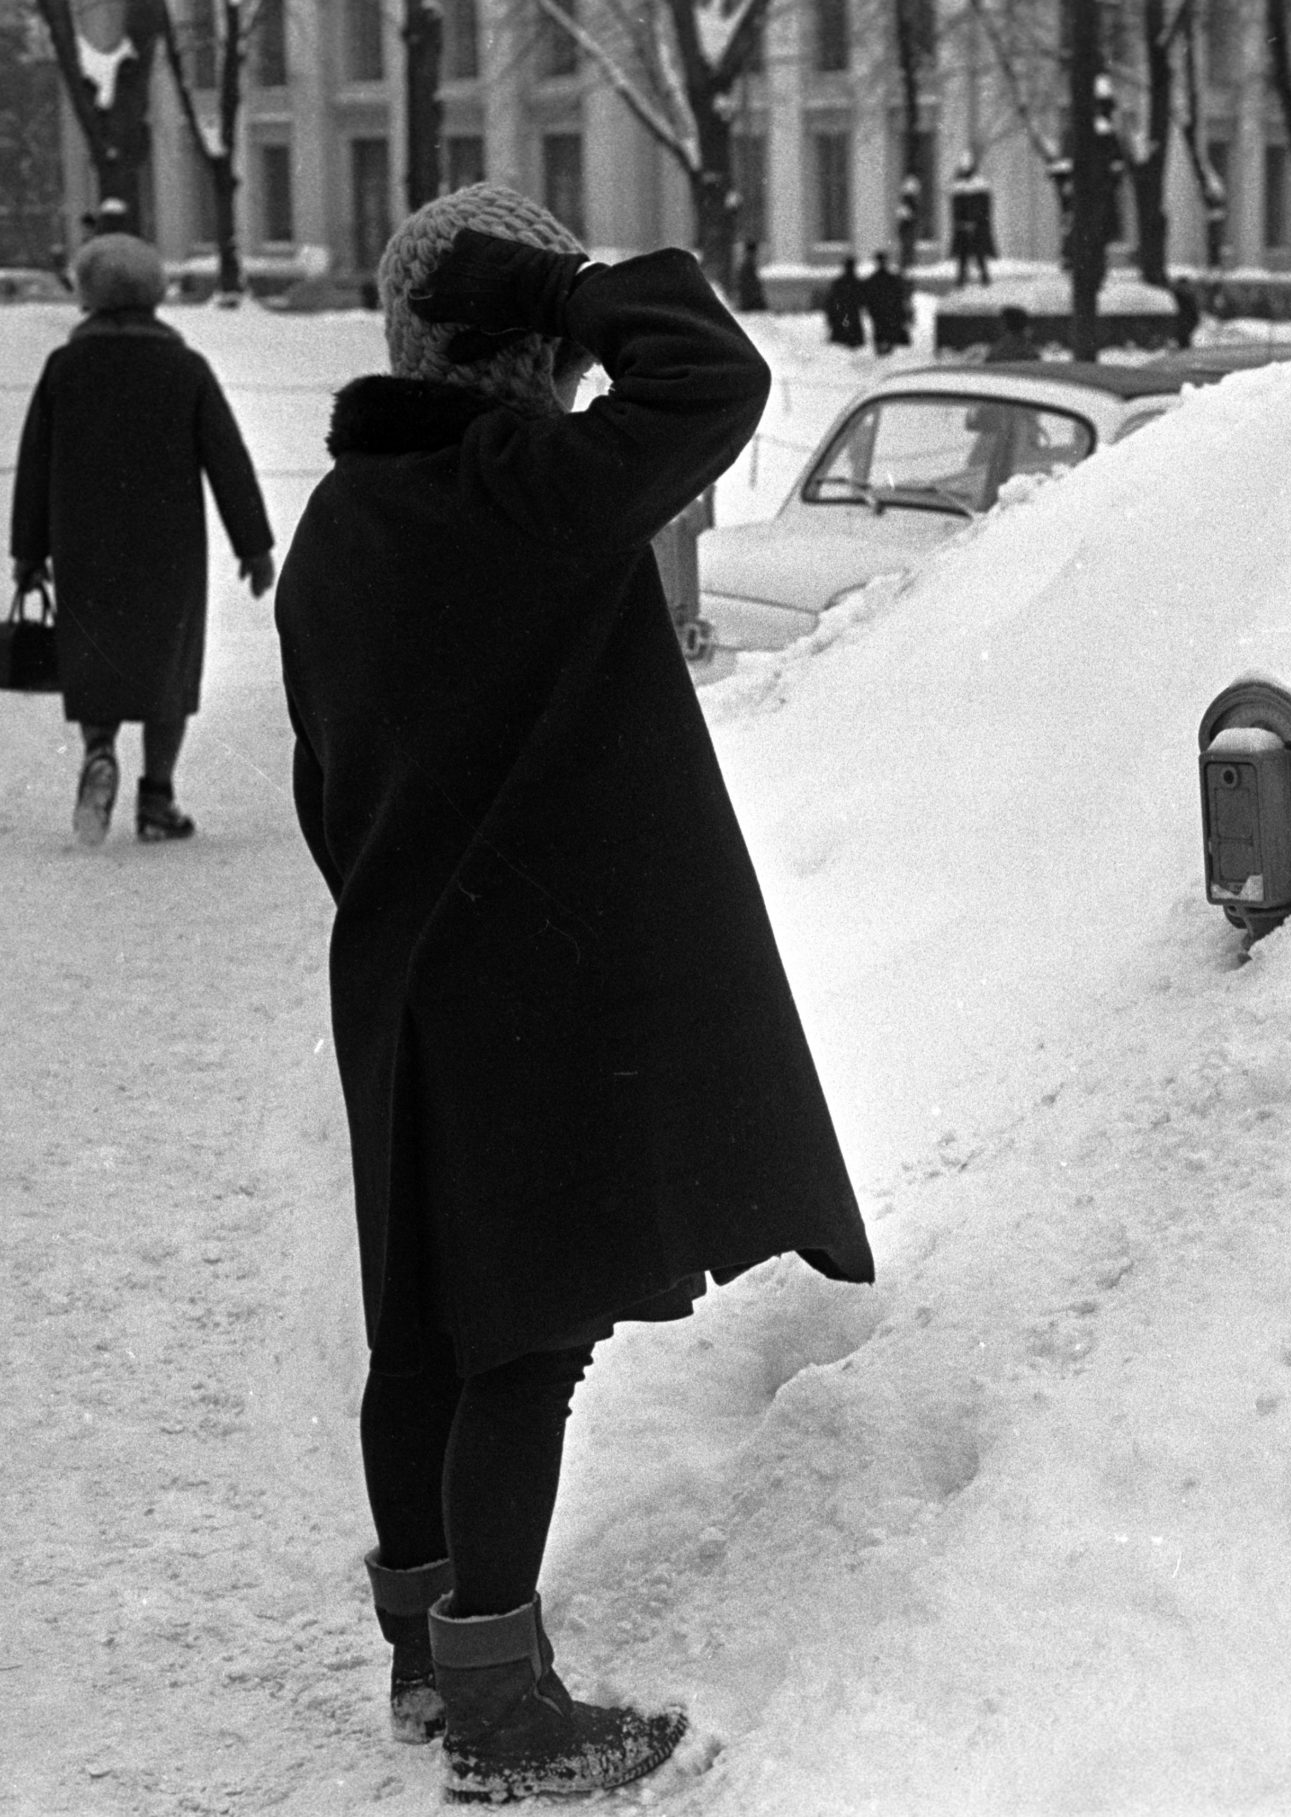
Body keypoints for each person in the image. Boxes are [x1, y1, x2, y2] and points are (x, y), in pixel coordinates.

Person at [274, 182, 872, 1804]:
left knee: (424, 1328)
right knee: (524, 1340)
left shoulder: (345, 518)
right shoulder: (526, 487)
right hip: (534, 979)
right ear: (530, 341)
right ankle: (500, 1703)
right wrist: (572, 277)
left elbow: (332, 780)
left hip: (398, 967)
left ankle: (421, 1652)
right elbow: (711, 384)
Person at [10, 232, 272, 846]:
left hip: (85, 545)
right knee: (167, 670)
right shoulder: (184, 369)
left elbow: (36, 463)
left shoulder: (65, 369)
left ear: (88, 297)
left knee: (96, 658)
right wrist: (253, 547)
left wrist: (28, 553)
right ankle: (157, 797)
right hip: (168, 547)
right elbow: (227, 459)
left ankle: (100, 750)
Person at [949, 155, 995, 285]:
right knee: (964, 255)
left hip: (976, 226)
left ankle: (983, 277)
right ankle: (963, 278)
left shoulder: (979, 187)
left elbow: (983, 209)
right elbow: (956, 210)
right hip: (964, 226)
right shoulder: (960, 187)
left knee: (978, 254)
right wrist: (962, 222)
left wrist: (975, 221)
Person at [858, 250, 911, 353]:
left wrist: (868, 307)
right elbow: (899, 296)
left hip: (878, 311)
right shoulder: (892, 279)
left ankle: (880, 350)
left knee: (879, 330)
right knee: (888, 330)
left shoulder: (872, 280)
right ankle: (887, 349)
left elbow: (866, 296)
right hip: (889, 310)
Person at [822, 255, 866, 351]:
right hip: (849, 316)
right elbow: (862, 301)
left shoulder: (840, 283)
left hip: (843, 316)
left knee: (843, 344)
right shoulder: (857, 283)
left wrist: (831, 316)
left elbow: (832, 301)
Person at [734, 237, 767, 312]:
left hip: (748, 298)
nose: (756, 255)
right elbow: (749, 283)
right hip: (750, 300)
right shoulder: (748, 264)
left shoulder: (746, 263)